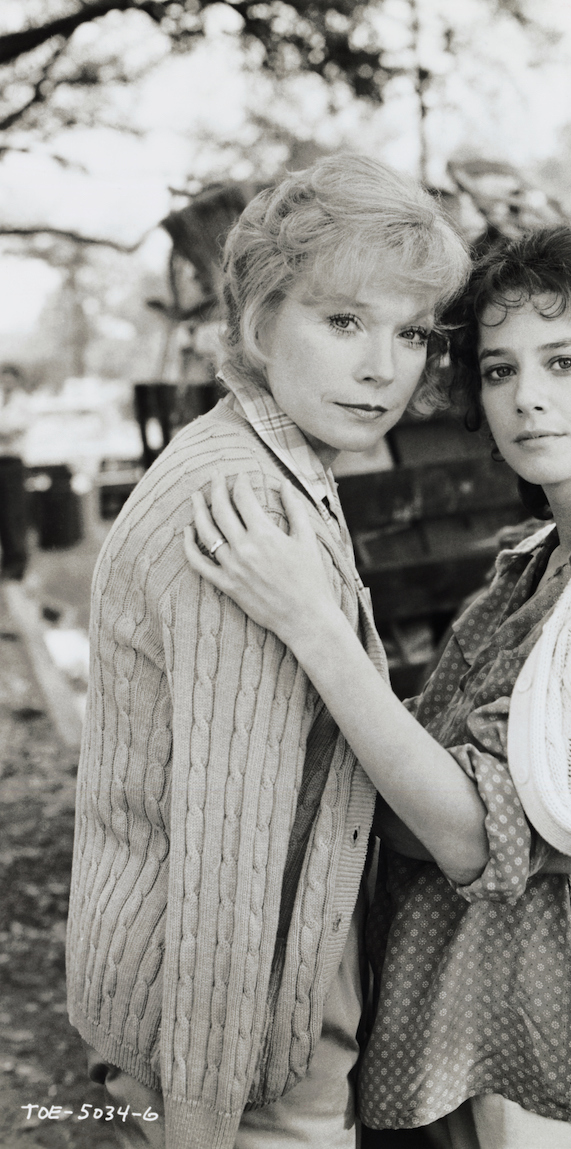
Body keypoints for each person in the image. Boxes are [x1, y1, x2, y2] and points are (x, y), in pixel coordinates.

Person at [184, 223, 571, 1149]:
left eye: (564, 361)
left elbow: (448, 829)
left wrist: (315, 626)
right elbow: (441, 792)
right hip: (468, 1021)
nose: (527, 399)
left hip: (549, 1049)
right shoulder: (539, 559)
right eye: (498, 370)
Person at [65, 153, 473, 1149]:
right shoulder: (244, 508)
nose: (385, 367)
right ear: (256, 324)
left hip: (251, 1033)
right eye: (342, 323)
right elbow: (226, 866)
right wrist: (199, 1123)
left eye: (410, 330)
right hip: (234, 1071)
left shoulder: (278, 465)